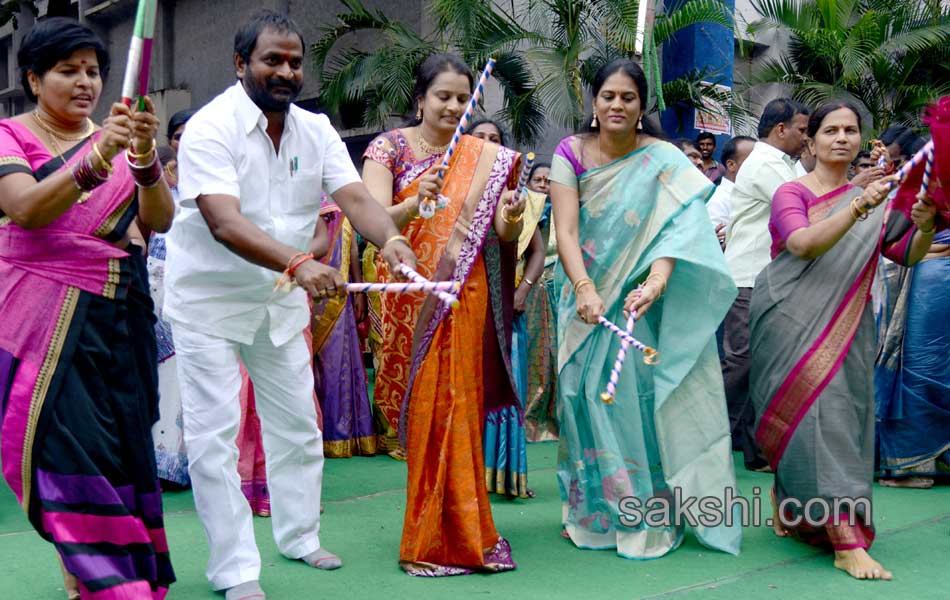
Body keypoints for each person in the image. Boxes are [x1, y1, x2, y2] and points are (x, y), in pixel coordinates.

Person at [163, 11, 416, 599]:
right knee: (214, 439)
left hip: (277, 303)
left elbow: (354, 196)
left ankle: (300, 536)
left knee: (300, 427)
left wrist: (392, 239)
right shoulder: (210, 127)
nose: (285, 71)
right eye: (271, 60)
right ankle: (235, 571)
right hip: (210, 303)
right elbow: (224, 223)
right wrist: (300, 264)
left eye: (294, 62)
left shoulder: (315, 128)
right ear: (240, 63)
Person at [0, 17, 176, 598]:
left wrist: (145, 155)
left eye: (94, 71)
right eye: (67, 71)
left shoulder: (118, 139)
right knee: (65, 445)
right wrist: (100, 154)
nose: (85, 83)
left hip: (119, 317)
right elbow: (26, 210)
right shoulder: (10, 136)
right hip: (43, 322)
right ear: (33, 77)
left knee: (118, 448)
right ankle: (116, 586)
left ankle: (88, 579)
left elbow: (158, 220)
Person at [550, 58, 741, 560]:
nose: (616, 105)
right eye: (608, 96)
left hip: (635, 301)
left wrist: (655, 282)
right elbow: (565, 231)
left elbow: (677, 230)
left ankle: (642, 513)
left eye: (628, 98)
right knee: (578, 398)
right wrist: (585, 287)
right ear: (594, 102)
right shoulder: (570, 153)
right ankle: (592, 514)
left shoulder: (662, 159)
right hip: (580, 297)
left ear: (642, 107)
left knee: (626, 402)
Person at [750, 100, 938, 581]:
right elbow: (802, 244)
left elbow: (907, 254)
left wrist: (923, 225)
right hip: (789, 317)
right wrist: (860, 205)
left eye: (850, 130)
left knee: (840, 422)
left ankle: (791, 505)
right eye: (830, 130)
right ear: (809, 141)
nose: (841, 138)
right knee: (816, 418)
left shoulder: (879, 196)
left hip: (849, 323)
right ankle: (845, 541)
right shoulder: (792, 191)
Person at [362, 52, 523, 575]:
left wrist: (512, 217)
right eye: (443, 97)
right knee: (428, 412)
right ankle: (426, 536)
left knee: (460, 409)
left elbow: (502, 238)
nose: (454, 107)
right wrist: (413, 202)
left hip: (465, 293)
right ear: (421, 98)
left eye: (461, 98)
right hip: (412, 293)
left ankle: (469, 531)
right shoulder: (388, 148)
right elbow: (371, 218)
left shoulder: (482, 155)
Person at [722, 98, 809, 472]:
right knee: (742, 364)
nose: (806, 139)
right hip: (748, 278)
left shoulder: (779, 163)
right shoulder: (766, 163)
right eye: (803, 130)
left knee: (760, 365)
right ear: (780, 130)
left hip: (763, 278)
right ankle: (703, 440)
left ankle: (756, 451)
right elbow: (805, 206)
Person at [874, 99, 950, 490]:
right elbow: (899, 221)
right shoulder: (934, 154)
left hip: (935, 264)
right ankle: (914, 460)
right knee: (924, 361)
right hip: (933, 265)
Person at [468, 118, 532, 497]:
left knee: (492, 380)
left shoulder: (509, 189)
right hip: (451, 299)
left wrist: (511, 212)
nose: (488, 144)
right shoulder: (448, 178)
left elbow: (518, 239)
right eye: (480, 138)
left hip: (493, 299)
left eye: (495, 139)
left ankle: (495, 474)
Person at [149, 111, 196, 489]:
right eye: (178, 135)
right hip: (154, 288)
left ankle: (187, 463)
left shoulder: (215, 188)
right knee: (160, 371)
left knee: (189, 375)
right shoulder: (157, 190)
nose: (184, 141)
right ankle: (159, 463)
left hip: (197, 291)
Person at [312, 195, 378, 458]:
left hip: (338, 292)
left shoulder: (341, 195)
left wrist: (358, 287)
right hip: (303, 285)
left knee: (337, 364)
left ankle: (338, 436)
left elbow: (350, 248)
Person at [522, 162, 560, 442]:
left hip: (561, 288)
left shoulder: (565, 210)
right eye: (539, 180)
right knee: (533, 350)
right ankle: (528, 417)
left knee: (558, 352)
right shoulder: (520, 209)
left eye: (549, 181)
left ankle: (557, 419)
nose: (544, 186)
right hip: (528, 289)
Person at [706, 135, 756, 246]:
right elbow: (716, 246)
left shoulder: (751, 194)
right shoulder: (718, 201)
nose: (760, 167)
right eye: (753, 161)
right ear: (731, 165)